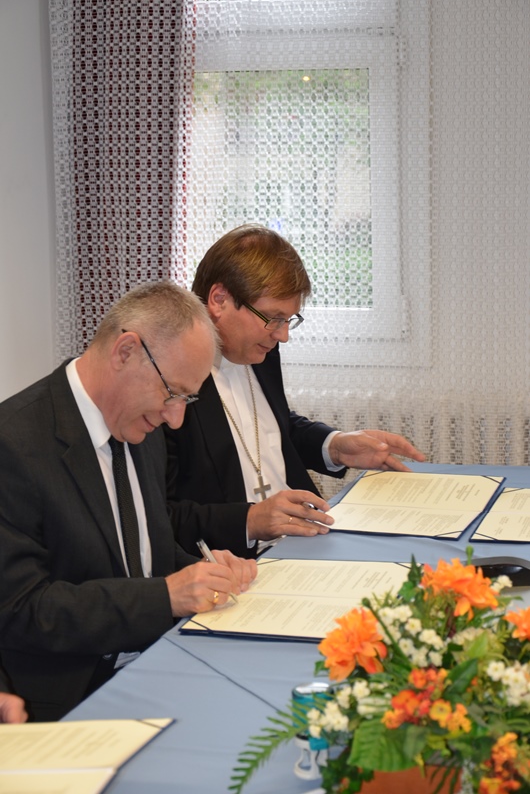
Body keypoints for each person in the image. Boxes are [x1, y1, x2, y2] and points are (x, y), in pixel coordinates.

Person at [0, 281, 257, 722]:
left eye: (187, 399)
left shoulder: (139, 424)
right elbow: (24, 610)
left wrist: (204, 570)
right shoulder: (14, 444)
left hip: (160, 659)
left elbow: (141, 555)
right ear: (125, 352)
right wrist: (166, 597)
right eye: (173, 393)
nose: (176, 419)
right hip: (70, 700)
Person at [165, 224, 425, 558]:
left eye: (289, 320)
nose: (283, 336)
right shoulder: (168, 383)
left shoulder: (260, 347)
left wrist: (335, 447)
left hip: (305, 540)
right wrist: (249, 520)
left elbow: (270, 427)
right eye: (273, 318)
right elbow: (160, 516)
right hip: (233, 563)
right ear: (220, 300)